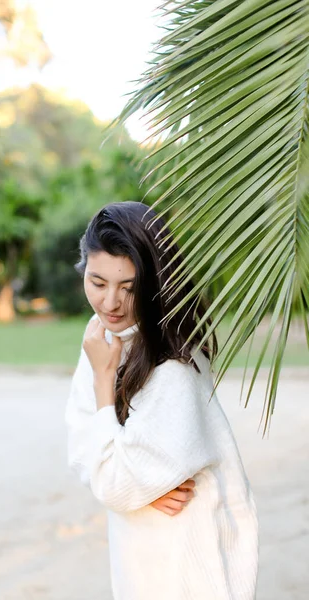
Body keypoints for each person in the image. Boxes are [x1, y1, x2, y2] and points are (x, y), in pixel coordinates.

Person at [65, 201, 258, 599]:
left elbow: (114, 482)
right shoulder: (101, 338)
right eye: (98, 283)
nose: (110, 303)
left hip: (186, 569)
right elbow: (84, 453)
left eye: (129, 288)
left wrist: (104, 384)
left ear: (155, 283)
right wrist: (140, 485)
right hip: (141, 562)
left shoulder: (174, 368)